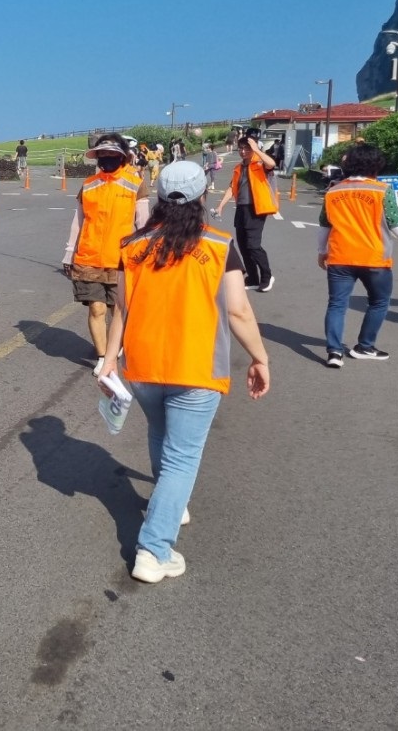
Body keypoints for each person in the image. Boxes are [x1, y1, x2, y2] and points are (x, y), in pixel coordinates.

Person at [99, 161, 271, 583]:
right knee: (182, 457)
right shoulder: (217, 243)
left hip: (142, 364)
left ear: (158, 199)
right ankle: (153, 551)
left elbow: (122, 306)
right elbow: (237, 309)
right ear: (203, 197)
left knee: (161, 436)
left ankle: (170, 504)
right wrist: (260, 357)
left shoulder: (133, 245)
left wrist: (109, 357)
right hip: (194, 366)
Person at [318, 143, 398, 366]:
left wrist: (322, 252)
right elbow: (396, 222)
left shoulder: (333, 191)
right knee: (379, 302)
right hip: (374, 257)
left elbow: (324, 226)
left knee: (337, 304)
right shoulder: (381, 190)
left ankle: (334, 353)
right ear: (376, 166)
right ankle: (364, 346)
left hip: (340, 256)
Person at [62, 134, 150, 374]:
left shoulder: (135, 183)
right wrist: (70, 252)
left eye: (113, 154)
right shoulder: (89, 185)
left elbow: (143, 225)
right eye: (103, 154)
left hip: (121, 260)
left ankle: (117, 346)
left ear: (122, 156)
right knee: (96, 309)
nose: (107, 159)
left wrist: (144, 256)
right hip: (89, 258)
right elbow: (78, 221)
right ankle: (102, 356)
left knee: (118, 310)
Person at [213, 135, 278, 292]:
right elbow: (231, 188)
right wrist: (221, 205)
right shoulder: (238, 167)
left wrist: (256, 149)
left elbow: (272, 163)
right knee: (243, 245)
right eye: (241, 148)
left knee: (253, 245)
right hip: (241, 209)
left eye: (246, 148)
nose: (242, 151)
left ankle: (267, 277)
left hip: (256, 209)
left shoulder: (260, 163)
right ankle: (253, 278)